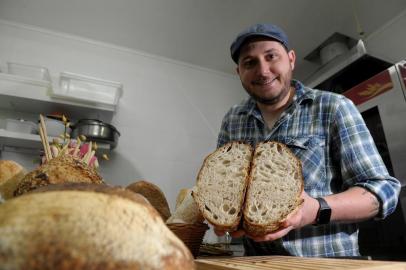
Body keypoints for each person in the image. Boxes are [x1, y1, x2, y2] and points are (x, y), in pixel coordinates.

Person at [214, 23, 401, 257]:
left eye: (271, 56)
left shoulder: (333, 107)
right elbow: (227, 189)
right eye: (249, 63)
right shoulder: (233, 120)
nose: (263, 71)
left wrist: (315, 210)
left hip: (326, 263)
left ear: (291, 59)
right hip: (257, 263)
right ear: (239, 72)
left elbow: (384, 191)